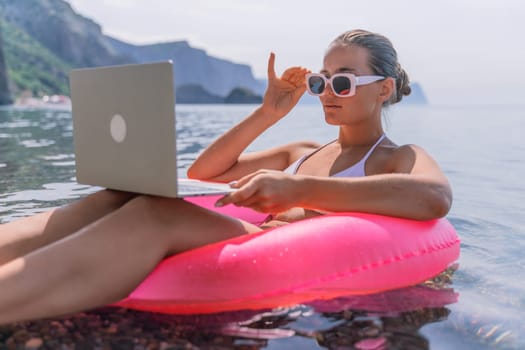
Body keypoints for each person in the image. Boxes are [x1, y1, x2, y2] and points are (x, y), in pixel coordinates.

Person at [0, 29, 452, 325]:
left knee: (159, 213)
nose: (327, 94)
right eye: (321, 81)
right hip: (250, 231)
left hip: (273, 250)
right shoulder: (302, 152)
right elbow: (205, 173)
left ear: (385, 89)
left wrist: (296, 189)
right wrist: (268, 112)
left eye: (343, 82)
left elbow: (433, 197)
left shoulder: (399, 158)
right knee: (115, 196)